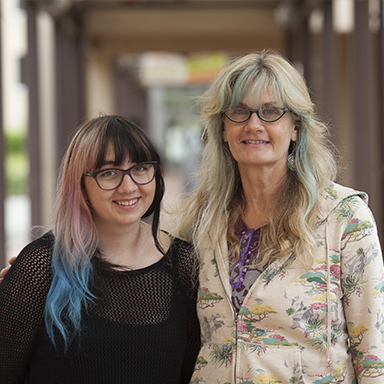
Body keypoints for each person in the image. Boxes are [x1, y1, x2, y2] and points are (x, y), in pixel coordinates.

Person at [176, 50, 384, 383]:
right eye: (239, 112)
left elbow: (373, 357)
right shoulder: (203, 219)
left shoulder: (344, 218)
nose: (253, 124)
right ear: (223, 130)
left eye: (271, 112)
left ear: (295, 128)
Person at [0, 115, 200, 384]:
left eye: (140, 168)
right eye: (109, 173)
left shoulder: (187, 265)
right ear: (80, 185)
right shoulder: (42, 264)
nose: (128, 186)